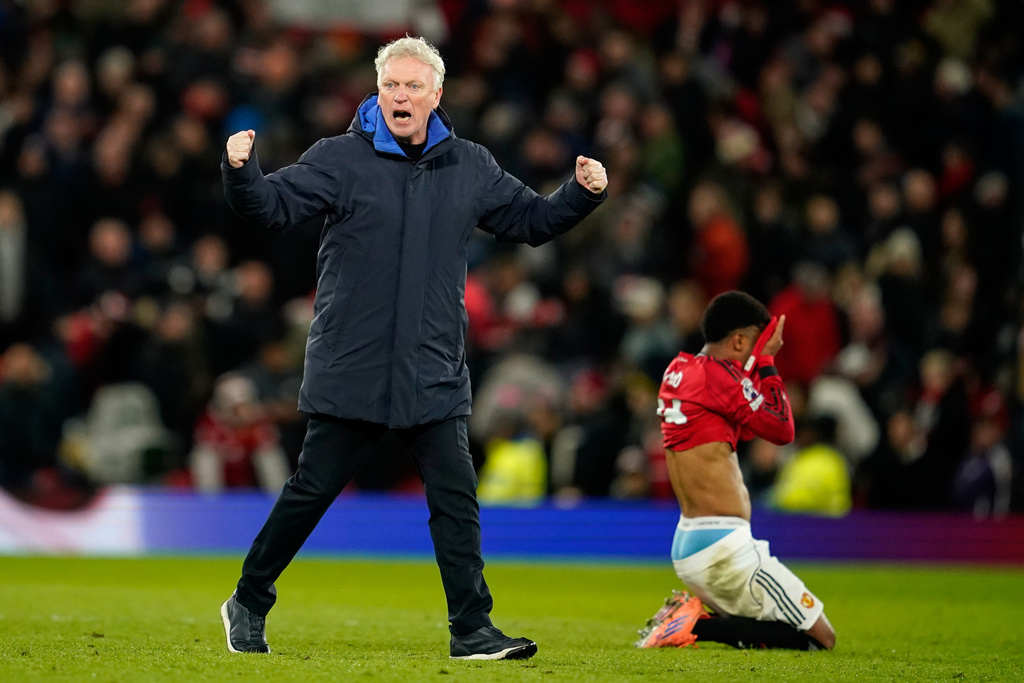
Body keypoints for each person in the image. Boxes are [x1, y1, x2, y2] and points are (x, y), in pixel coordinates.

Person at [218, 36, 607, 660]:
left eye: (412, 86)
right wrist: (242, 174)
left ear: (436, 95)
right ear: (378, 92)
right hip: (354, 363)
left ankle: (472, 630)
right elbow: (272, 208)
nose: (401, 96)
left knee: (456, 501)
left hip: (431, 369)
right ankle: (248, 599)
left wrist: (580, 194)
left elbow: (530, 222)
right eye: (391, 85)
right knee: (310, 493)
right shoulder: (339, 158)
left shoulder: (471, 165)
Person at [636, 291, 836, 651]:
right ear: (739, 340)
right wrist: (768, 364)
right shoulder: (718, 378)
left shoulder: (679, 370)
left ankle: (693, 620)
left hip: (692, 542)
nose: (757, 354)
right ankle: (693, 624)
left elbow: (742, 425)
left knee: (765, 632)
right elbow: (782, 429)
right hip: (725, 548)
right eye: (755, 346)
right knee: (821, 638)